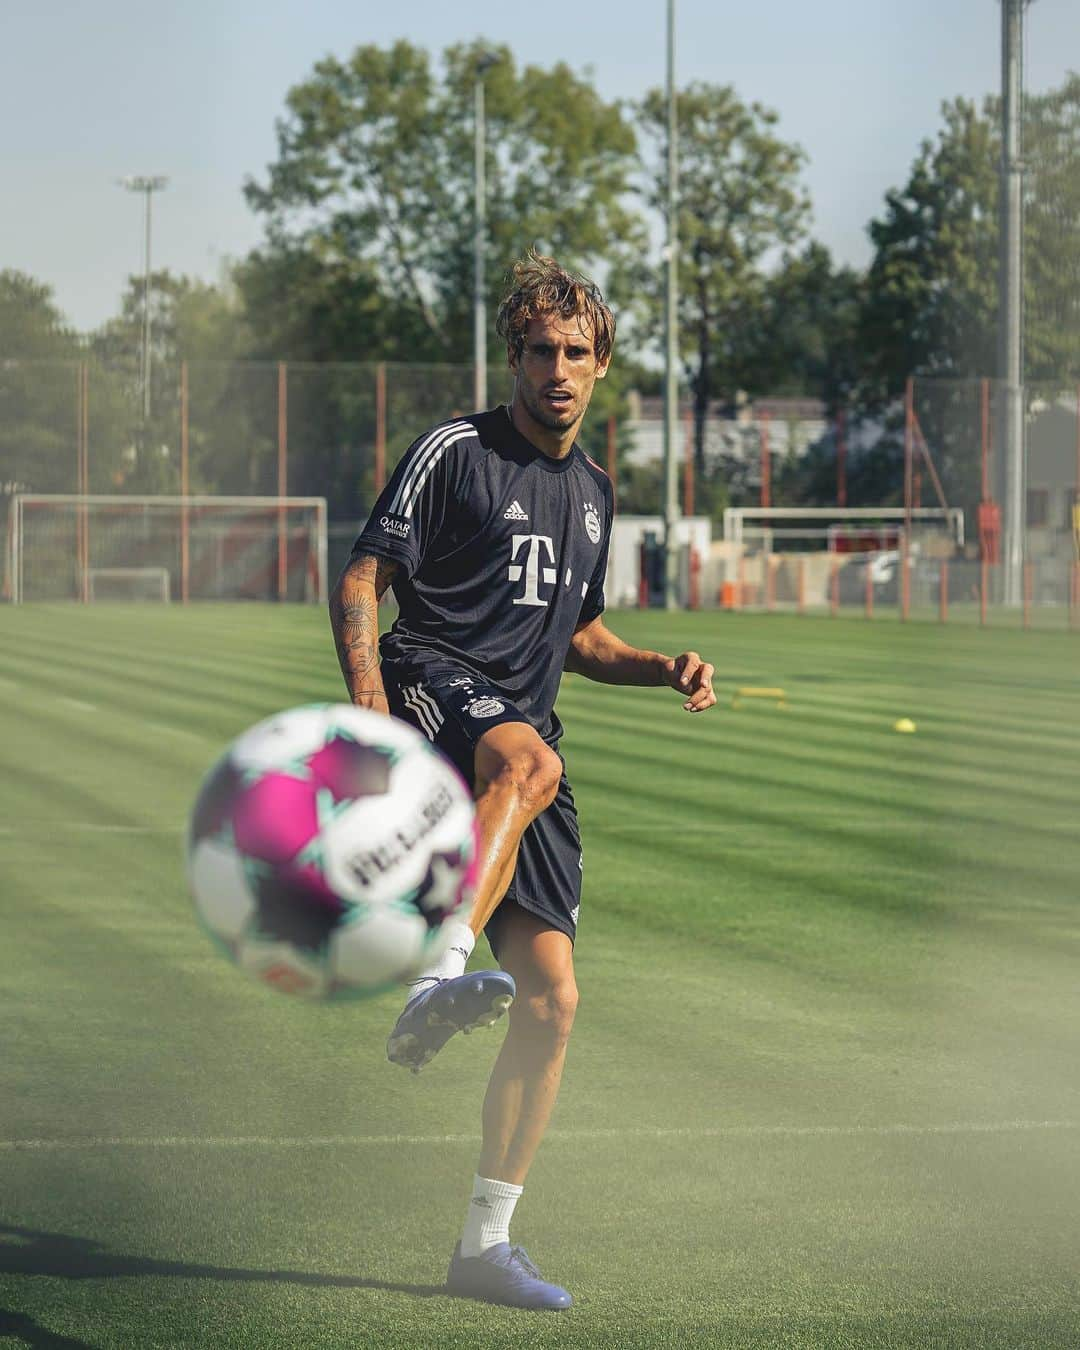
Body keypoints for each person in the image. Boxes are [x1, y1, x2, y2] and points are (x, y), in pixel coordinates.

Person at [329, 252, 716, 1310]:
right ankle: (432, 981)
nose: (557, 367)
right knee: (528, 758)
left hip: (522, 735)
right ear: (515, 358)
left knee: (552, 1001)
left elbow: (577, 632)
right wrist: (367, 699)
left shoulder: (591, 490)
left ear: (601, 371)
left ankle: (483, 1249)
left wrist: (658, 666)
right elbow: (367, 574)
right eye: (540, 350)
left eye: (576, 353)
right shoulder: (455, 451)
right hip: (431, 679)